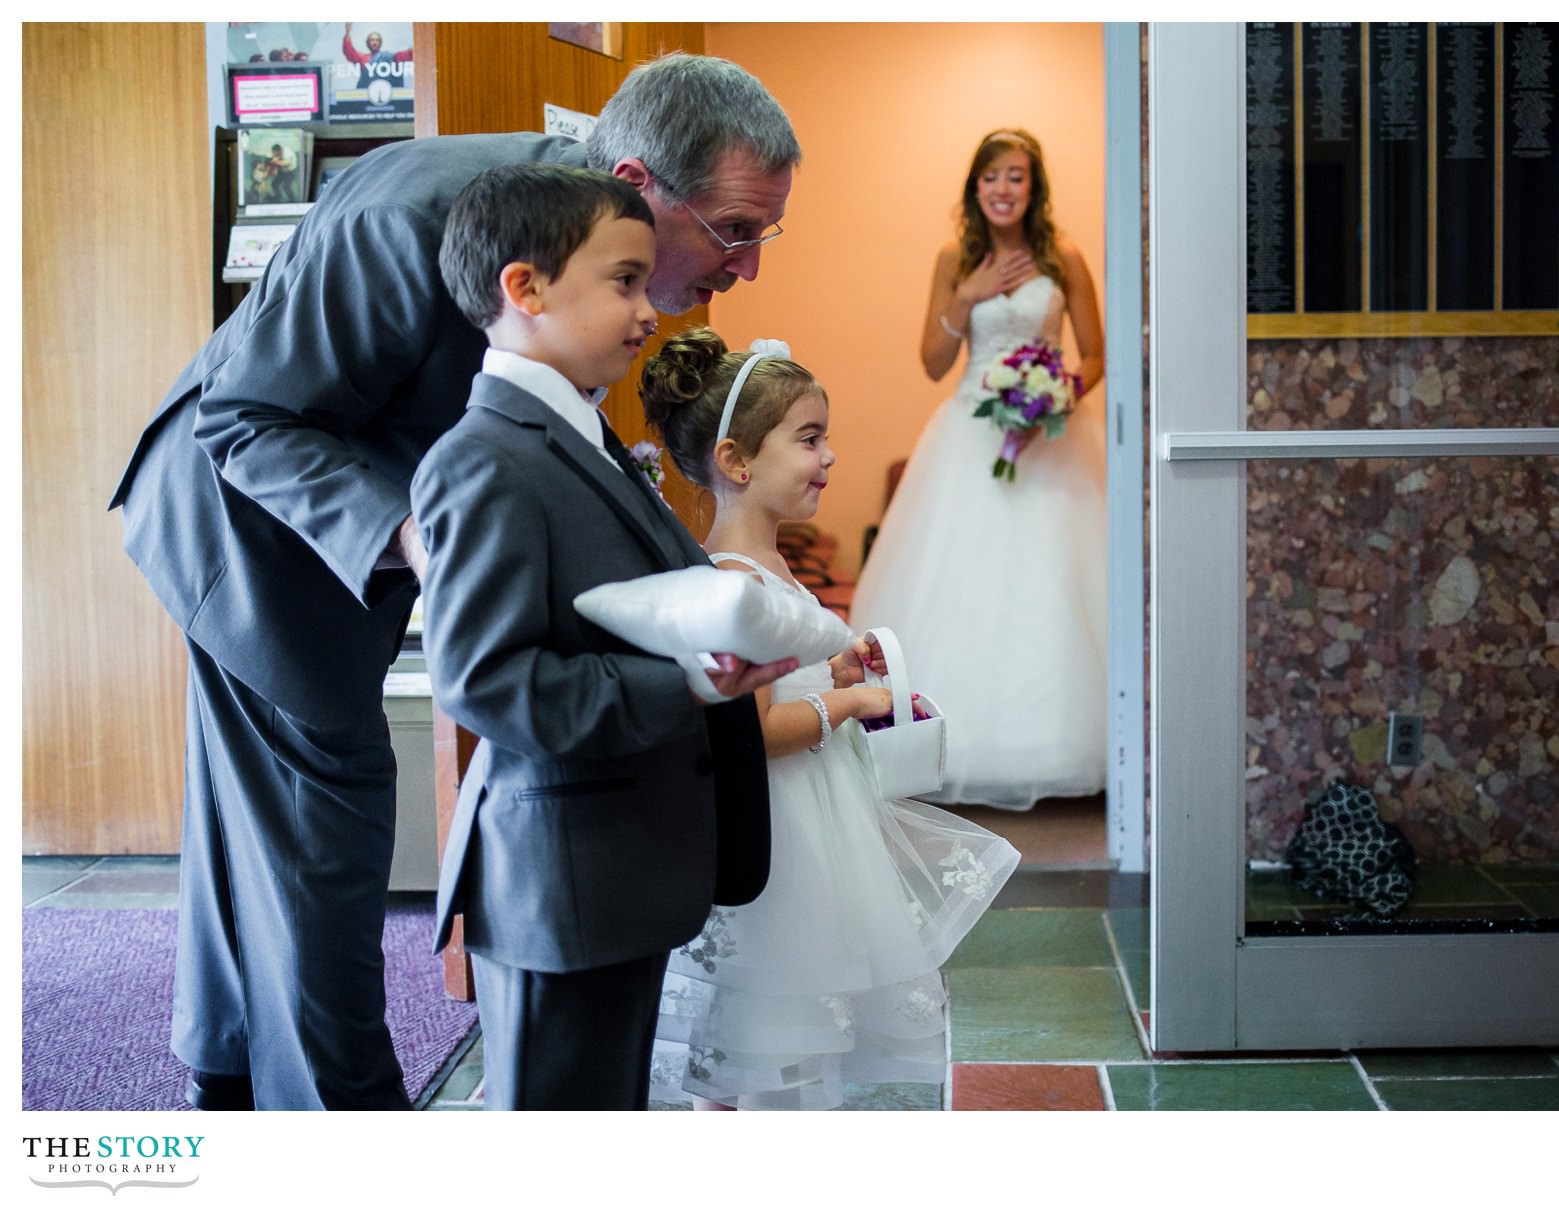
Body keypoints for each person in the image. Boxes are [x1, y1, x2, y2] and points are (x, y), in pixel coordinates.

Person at [106, 52, 800, 1111]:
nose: (746, 269)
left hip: (349, 536)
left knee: (257, 835)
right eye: (735, 229)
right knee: (320, 859)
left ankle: (226, 1079)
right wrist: (420, 535)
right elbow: (243, 419)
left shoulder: (580, 257)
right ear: (636, 179)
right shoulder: (409, 223)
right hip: (250, 538)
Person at [415, 166, 788, 1111]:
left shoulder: (580, 427)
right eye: (624, 281)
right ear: (525, 288)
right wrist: (694, 684)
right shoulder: (483, 458)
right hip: (562, 884)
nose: (647, 310)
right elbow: (489, 681)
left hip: (617, 870)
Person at [641, 328, 1021, 1110]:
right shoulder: (729, 583)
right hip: (777, 841)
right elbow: (749, 734)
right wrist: (848, 703)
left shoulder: (773, 566)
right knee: (762, 1025)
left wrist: (833, 671)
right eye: (808, 438)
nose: (829, 456)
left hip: (816, 828)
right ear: (738, 462)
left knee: (797, 1035)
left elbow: (779, 689)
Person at [852, 128, 1107, 811]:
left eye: (1016, 177)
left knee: (1053, 585)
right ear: (975, 188)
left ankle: (1056, 746)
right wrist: (964, 298)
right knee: (964, 585)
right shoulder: (951, 260)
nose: (1002, 189)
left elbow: (1097, 356)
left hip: (1049, 441)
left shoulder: (1065, 259)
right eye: (991, 177)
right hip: (969, 435)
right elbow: (934, 363)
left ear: (1034, 188)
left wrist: (1051, 401)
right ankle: (944, 747)